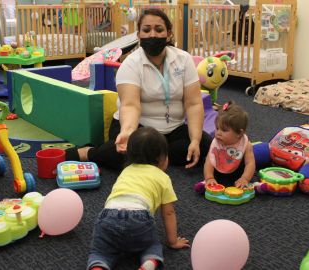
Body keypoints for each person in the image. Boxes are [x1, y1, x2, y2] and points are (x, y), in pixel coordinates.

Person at [66, 9, 211, 171]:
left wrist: (195, 140)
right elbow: (130, 105)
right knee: (126, 154)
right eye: (147, 30)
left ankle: (153, 155)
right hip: (138, 126)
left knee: (206, 145)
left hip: (173, 129)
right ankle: (89, 152)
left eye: (159, 29)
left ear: (169, 33)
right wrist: (128, 132)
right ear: (139, 35)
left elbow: (193, 103)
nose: (153, 35)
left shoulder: (184, 60)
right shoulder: (131, 64)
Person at [87, 127, 190, 270]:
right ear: (161, 158)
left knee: (100, 252)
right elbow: (168, 213)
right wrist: (172, 242)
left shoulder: (126, 171)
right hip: (139, 218)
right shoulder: (163, 178)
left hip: (108, 216)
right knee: (152, 246)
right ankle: (149, 262)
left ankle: (98, 266)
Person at [196, 101, 255, 190]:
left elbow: (250, 163)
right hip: (218, 172)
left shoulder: (246, 145)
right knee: (209, 167)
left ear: (239, 133)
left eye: (224, 130)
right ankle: (205, 184)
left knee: (250, 170)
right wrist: (209, 178)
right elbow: (209, 161)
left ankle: (254, 185)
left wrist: (245, 178)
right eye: (217, 128)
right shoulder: (216, 142)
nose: (218, 133)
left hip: (238, 172)